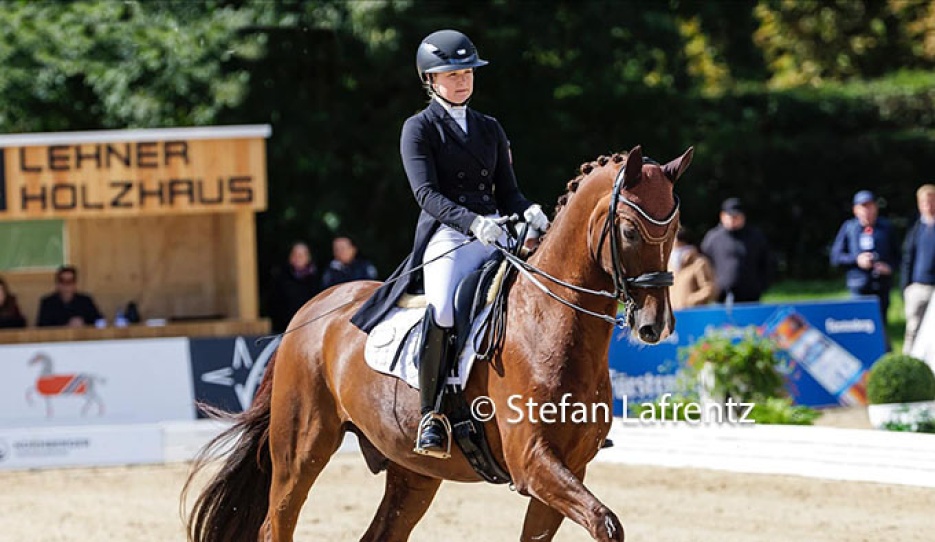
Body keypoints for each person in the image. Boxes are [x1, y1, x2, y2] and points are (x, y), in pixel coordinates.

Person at [350, 29, 550, 458]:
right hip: (449, 235)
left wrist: (529, 209)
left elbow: (507, 191)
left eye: (466, 73)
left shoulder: (490, 128)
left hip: (496, 229)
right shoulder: (418, 129)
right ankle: (432, 414)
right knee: (442, 307)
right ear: (430, 80)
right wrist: (472, 222)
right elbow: (427, 195)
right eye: (451, 74)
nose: (461, 81)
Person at [830, 190, 899, 331]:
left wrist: (889, 267)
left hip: (881, 287)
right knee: (860, 326)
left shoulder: (886, 228)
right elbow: (836, 257)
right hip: (858, 287)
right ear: (856, 210)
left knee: (880, 327)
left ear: (876, 207)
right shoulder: (849, 228)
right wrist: (857, 260)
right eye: (863, 206)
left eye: (870, 206)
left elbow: (899, 256)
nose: (867, 210)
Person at [700, 198, 772, 303]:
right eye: (730, 217)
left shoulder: (755, 237)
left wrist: (761, 286)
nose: (733, 220)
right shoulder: (713, 238)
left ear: (744, 217)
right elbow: (703, 264)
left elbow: (767, 263)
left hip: (750, 296)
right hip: (721, 297)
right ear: (722, 216)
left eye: (737, 217)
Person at [900, 184, 935, 353]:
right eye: (925, 202)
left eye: (931, 202)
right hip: (918, 286)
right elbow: (908, 258)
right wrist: (905, 286)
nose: (928, 206)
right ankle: (909, 363)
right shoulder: (916, 228)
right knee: (913, 329)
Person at [269, 241, 321, 333]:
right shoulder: (281, 278)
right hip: (286, 328)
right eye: (295, 254)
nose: (297, 258)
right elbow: (274, 305)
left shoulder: (317, 279)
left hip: (311, 327)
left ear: (308, 257)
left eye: (301, 255)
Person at [668, 226, 718, 310]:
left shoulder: (699, 263)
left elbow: (709, 288)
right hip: (672, 313)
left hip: (693, 313)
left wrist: (689, 301)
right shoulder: (668, 264)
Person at [36, 265, 103, 327]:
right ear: (57, 284)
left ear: (75, 284)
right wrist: (66, 327)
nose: (66, 286)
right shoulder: (47, 303)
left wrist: (84, 324)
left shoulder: (86, 301)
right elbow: (41, 328)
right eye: (62, 281)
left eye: (70, 281)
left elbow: (100, 323)